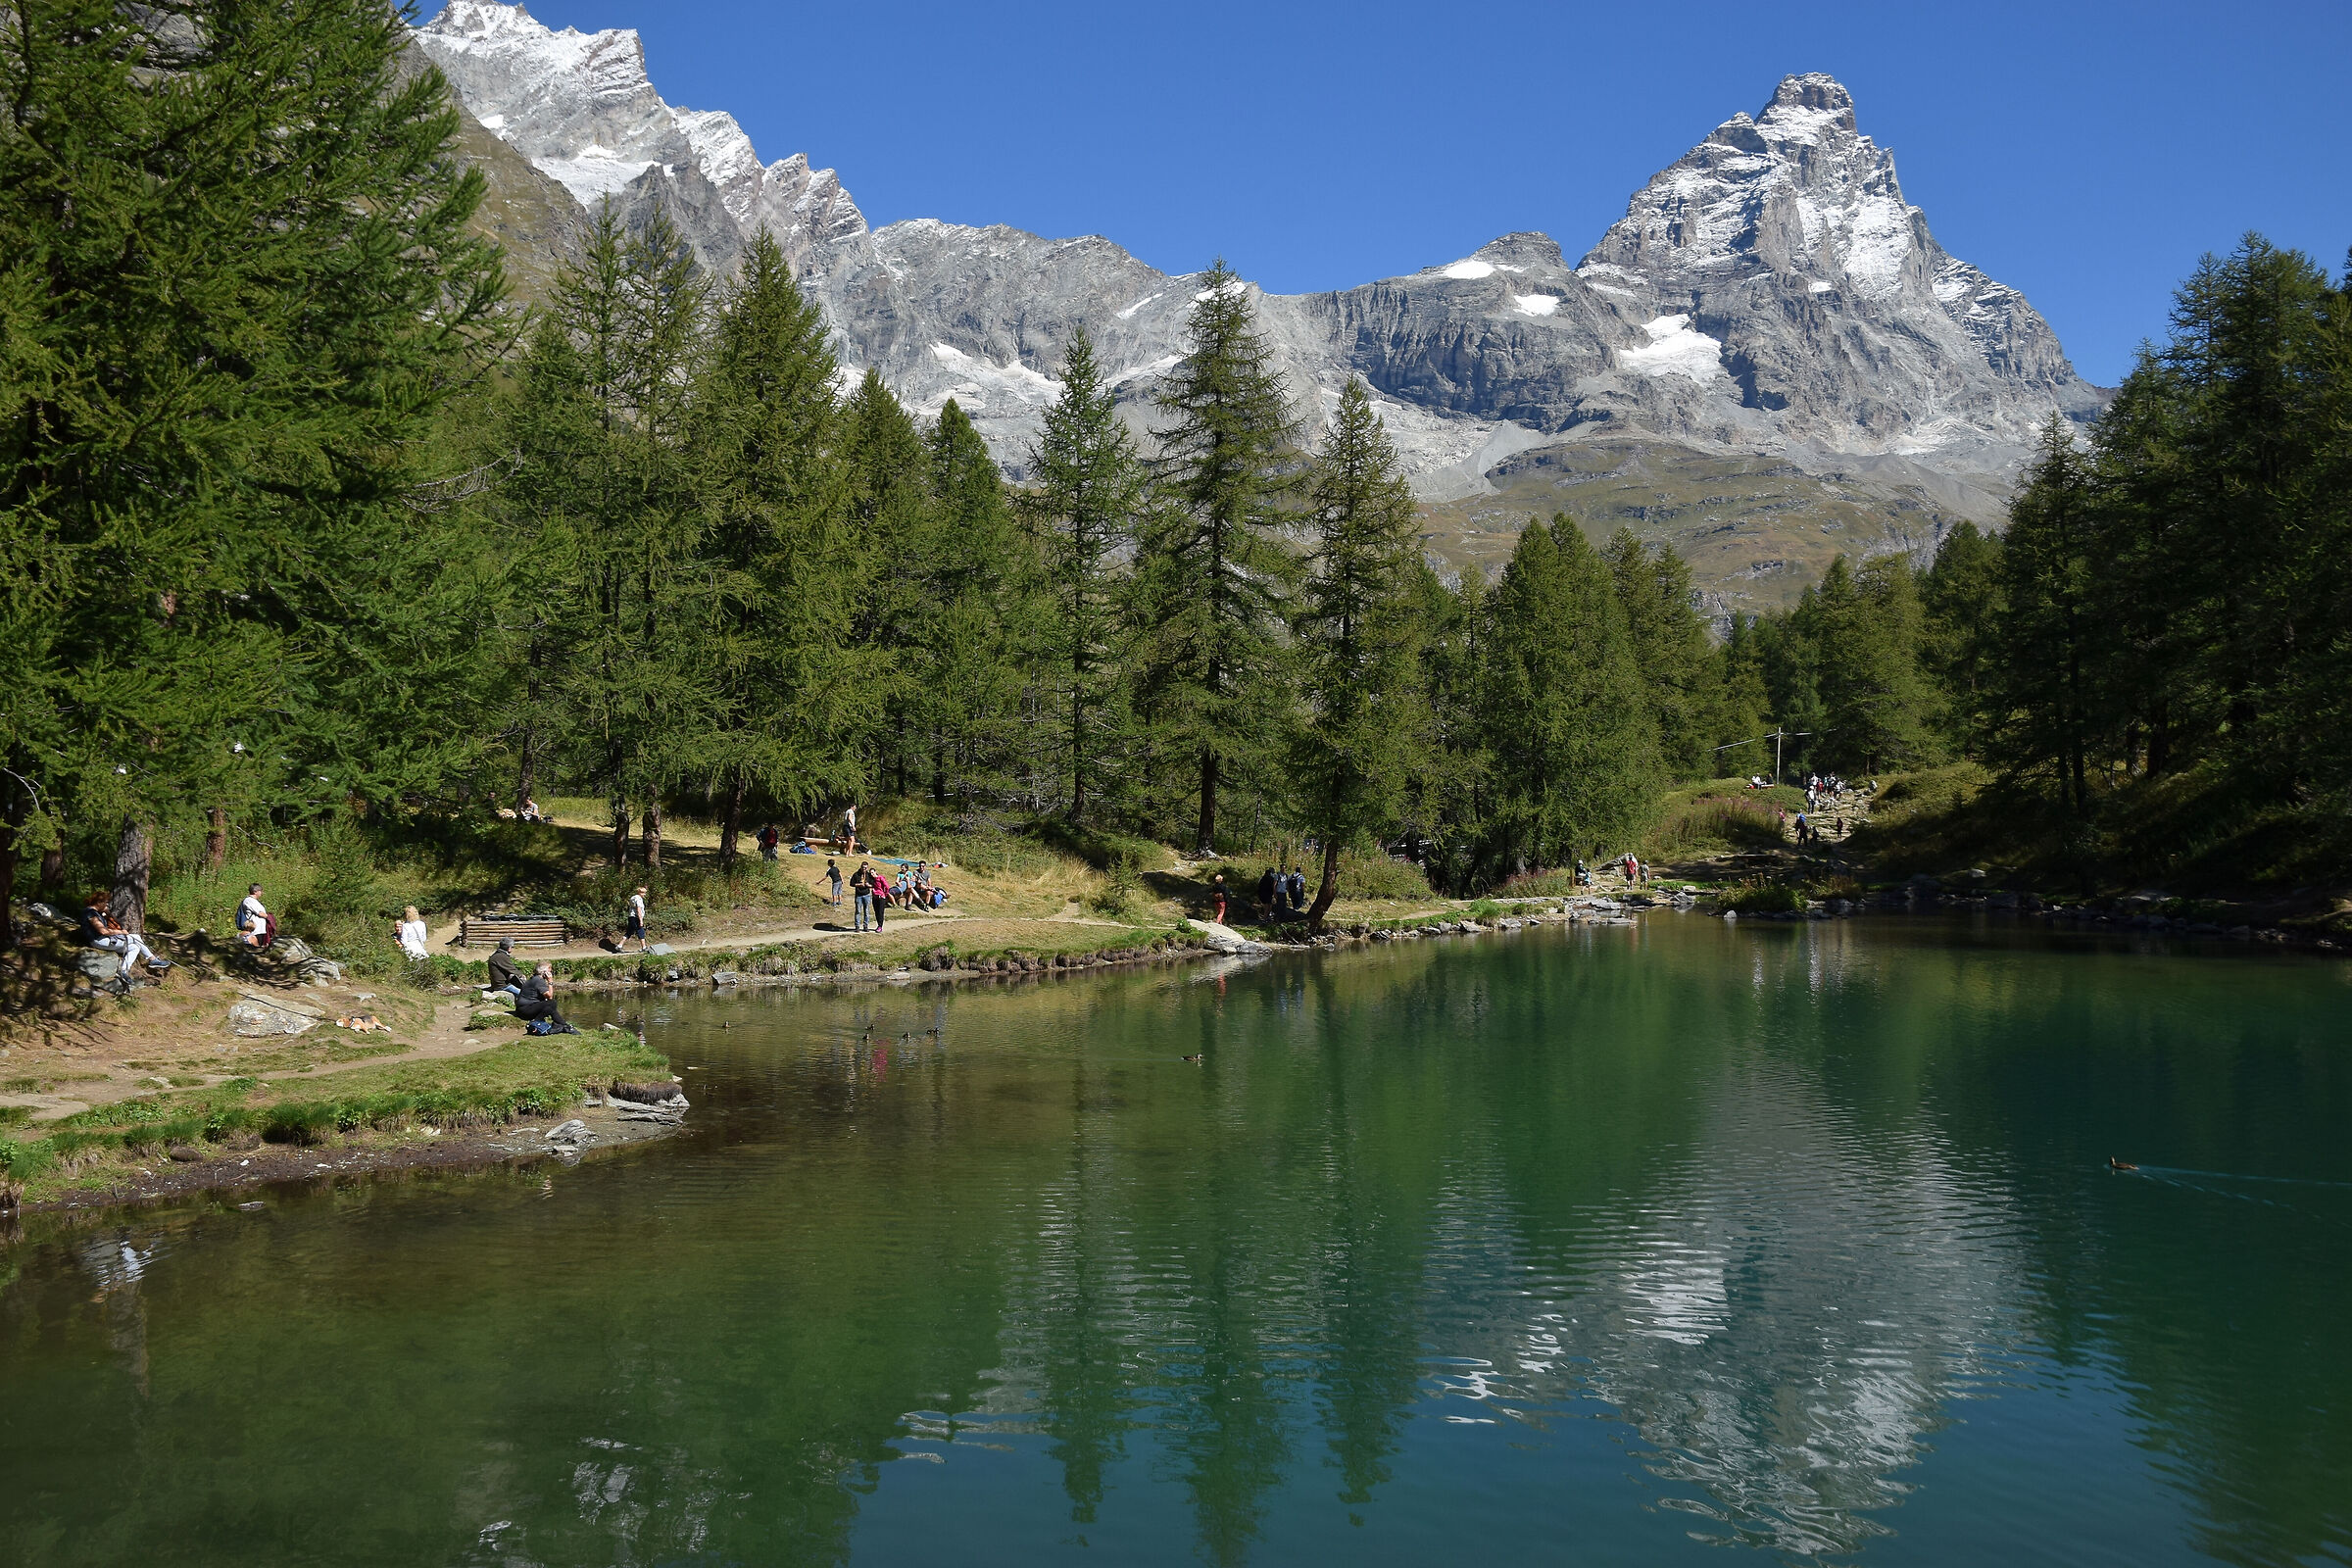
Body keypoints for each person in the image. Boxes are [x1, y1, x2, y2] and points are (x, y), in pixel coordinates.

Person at [81, 892, 169, 976]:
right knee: (136, 937)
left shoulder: (96, 913)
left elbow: (114, 922)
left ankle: (123, 971)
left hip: (103, 940)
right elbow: (103, 931)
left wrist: (108, 913)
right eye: (106, 903)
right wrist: (121, 932)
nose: (107, 905)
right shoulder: (90, 913)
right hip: (98, 940)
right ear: (99, 903)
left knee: (135, 947)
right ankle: (152, 959)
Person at [514, 962, 576, 1033]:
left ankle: (564, 1025)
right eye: (549, 970)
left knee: (550, 1008)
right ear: (544, 972)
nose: (551, 972)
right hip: (525, 1010)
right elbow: (550, 996)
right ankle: (536, 1021)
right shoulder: (539, 981)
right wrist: (550, 981)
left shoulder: (534, 978)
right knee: (552, 1003)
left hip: (522, 1009)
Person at [236, 884, 270, 948]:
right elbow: (259, 913)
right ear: (255, 891)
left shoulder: (255, 901)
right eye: (260, 891)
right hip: (254, 928)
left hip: (260, 929)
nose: (261, 893)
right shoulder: (249, 900)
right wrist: (268, 917)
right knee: (254, 946)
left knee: (258, 946)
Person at [851, 860, 874, 932]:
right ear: (861, 867)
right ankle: (857, 926)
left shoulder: (869, 875)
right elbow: (851, 883)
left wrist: (868, 885)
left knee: (866, 911)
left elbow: (873, 884)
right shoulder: (856, 874)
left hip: (867, 894)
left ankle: (865, 925)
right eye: (863, 867)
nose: (864, 869)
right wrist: (858, 884)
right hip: (859, 895)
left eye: (865, 868)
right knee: (858, 911)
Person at [623, 885, 649, 952]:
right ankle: (644, 947)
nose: (644, 894)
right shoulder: (639, 899)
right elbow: (639, 910)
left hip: (631, 917)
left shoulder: (633, 897)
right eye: (643, 893)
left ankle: (619, 946)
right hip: (636, 917)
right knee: (640, 931)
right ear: (640, 892)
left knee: (629, 932)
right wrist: (641, 920)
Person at [870, 866, 890, 931]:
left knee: (880, 912)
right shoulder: (872, 879)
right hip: (874, 897)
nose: (872, 874)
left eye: (873, 873)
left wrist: (885, 894)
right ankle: (878, 924)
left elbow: (887, 886)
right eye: (870, 873)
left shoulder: (880, 878)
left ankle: (880, 926)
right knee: (876, 911)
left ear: (875, 872)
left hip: (881, 897)